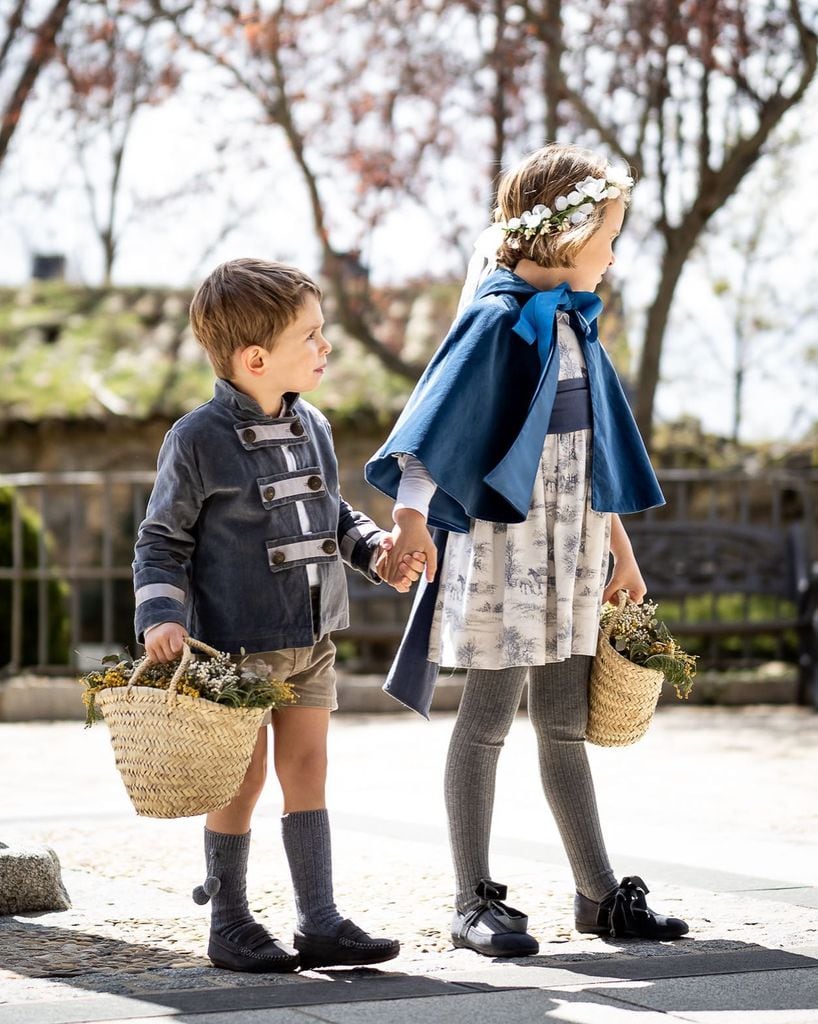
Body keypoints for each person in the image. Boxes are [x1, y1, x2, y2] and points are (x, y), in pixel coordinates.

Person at [367, 144, 689, 956]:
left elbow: (594, 452)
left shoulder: (577, 325)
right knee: (484, 722)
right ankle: (470, 897)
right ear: (567, 233)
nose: (614, 256)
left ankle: (599, 894)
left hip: (572, 548)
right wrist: (409, 520)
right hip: (505, 550)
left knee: (563, 723)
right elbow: (432, 426)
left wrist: (620, 546)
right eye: (608, 237)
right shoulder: (497, 316)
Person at [133, 258, 425, 973]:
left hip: (312, 636)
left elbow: (331, 512)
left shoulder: (314, 424)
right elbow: (161, 538)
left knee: (309, 766)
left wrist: (376, 550)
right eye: (312, 337)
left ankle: (319, 918)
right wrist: (160, 617)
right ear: (256, 358)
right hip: (236, 651)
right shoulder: (196, 438)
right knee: (244, 775)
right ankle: (229, 921)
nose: (325, 348)